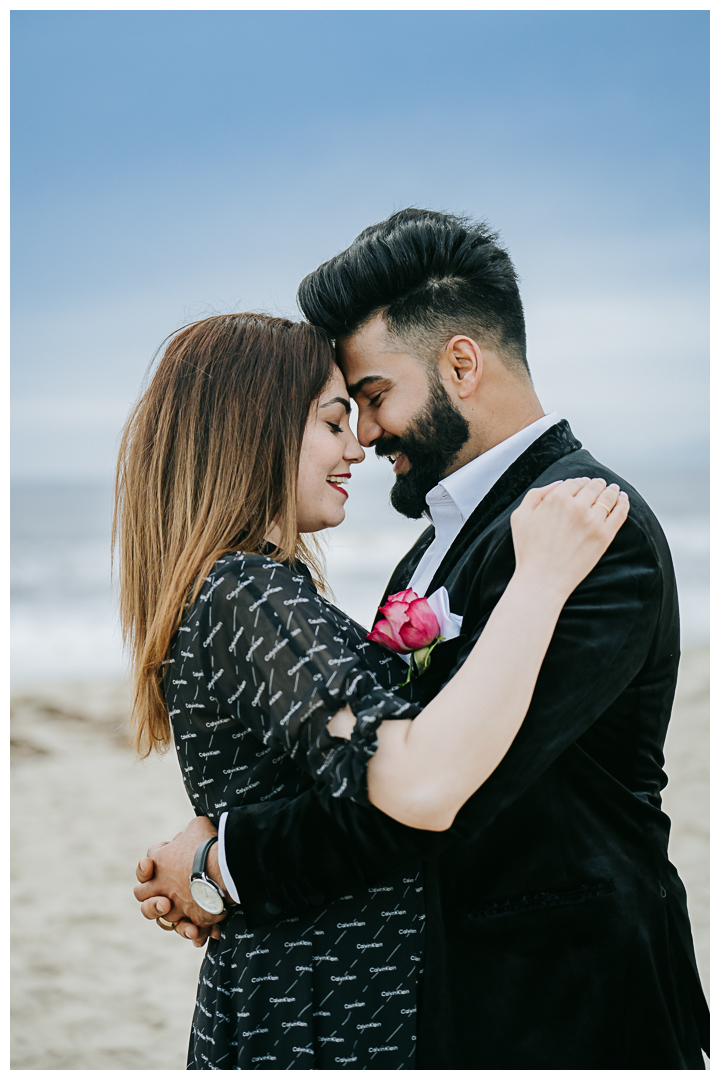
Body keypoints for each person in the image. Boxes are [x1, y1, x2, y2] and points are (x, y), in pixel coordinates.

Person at [134, 210, 709, 1069]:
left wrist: (227, 860)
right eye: (342, 416)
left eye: (370, 400)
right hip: (437, 998)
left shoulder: (589, 526)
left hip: (561, 999)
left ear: (461, 363)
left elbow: (450, 796)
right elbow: (362, 745)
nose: (364, 437)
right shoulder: (423, 547)